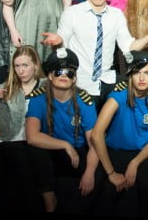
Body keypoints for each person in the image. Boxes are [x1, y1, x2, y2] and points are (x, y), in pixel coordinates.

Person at [40, 0, 148, 106]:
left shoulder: (116, 15)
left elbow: (128, 47)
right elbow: (63, 50)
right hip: (80, 83)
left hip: (107, 81)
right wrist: (58, 42)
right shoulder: (72, 13)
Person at [25, 48, 100, 214]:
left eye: (69, 73)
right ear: (50, 76)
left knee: (98, 176)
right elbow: (32, 136)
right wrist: (65, 145)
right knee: (34, 150)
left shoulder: (85, 101)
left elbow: (94, 143)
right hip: (51, 151)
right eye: (59, 71)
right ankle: (49, 199)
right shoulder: (38, 98)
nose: (64, 76)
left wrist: (89, 172)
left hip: (77, 153)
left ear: (74, 79)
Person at [90, 51, 148, 218]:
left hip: (144, 152)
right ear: (130, 75)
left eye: (147, 73)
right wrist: (111, 173)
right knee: (107, 190)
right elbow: (96, 134)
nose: (141, 78)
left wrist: (135, 163)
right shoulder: (118, 97)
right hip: (116, 151)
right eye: (137, 73)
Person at [0, 45, 45, 212]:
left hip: (36, 139)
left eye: (25, 65)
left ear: (35, 65)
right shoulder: (5, 87)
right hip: (9, 139)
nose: (20, 71)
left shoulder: (47, 86)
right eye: (17, 66)